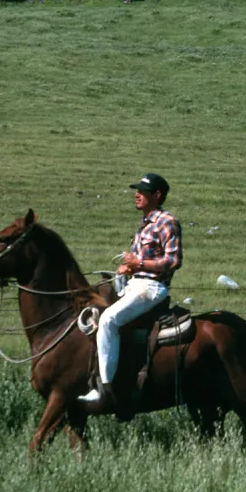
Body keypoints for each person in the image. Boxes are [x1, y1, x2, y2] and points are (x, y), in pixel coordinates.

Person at [78, 173, 183, 412]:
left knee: (108, 320)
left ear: (157, 195)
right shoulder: (145, 224)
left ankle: (105, 390)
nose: (137, 195)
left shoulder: (167, 222)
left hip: (151, 288)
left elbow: (173, 261)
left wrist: (139, 264)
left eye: (142, 191)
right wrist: (128, 268)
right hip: (135, 284)